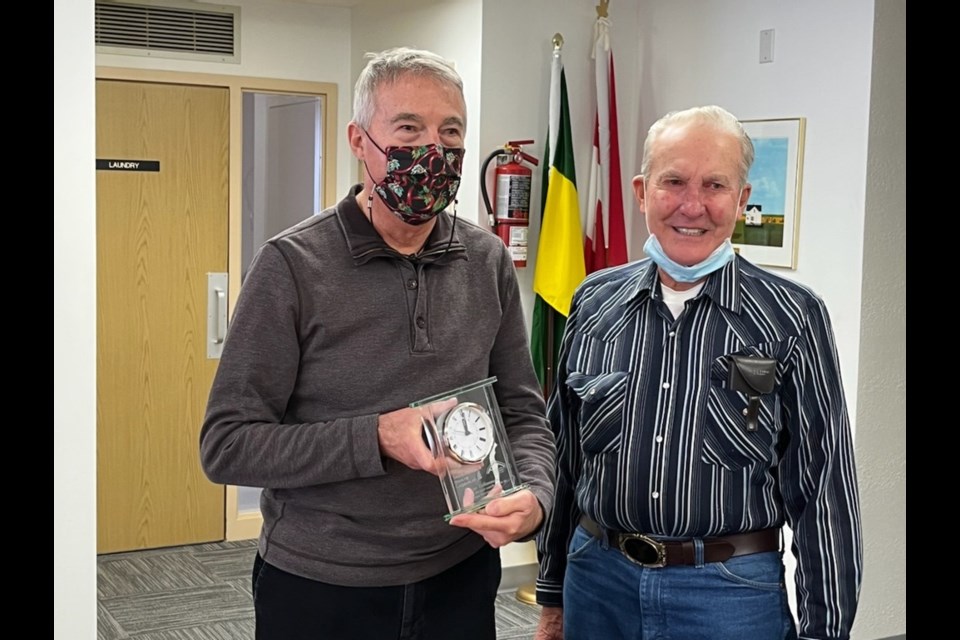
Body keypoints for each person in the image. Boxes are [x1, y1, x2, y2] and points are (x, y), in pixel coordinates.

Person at [200, 47, 556, 640]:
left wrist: (536, 495)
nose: (433, 152)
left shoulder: (486, 259)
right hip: (321, 585)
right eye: (409, 128)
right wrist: (377, 437)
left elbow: (522, 411)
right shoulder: (291, 265)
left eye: (450, 132)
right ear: (359, 141)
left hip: (459, 575)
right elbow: (227, 445)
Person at [534, 105, 862, 640]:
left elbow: (824, 487)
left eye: (715, 184)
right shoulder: (593, 302)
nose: (692, 205)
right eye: (673, 182)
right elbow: (563, 460)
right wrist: (551, 594)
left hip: (729, 595)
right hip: (597, 582)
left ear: (741, 197)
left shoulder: (793, 316)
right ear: (642, 192)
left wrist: (826, 630)